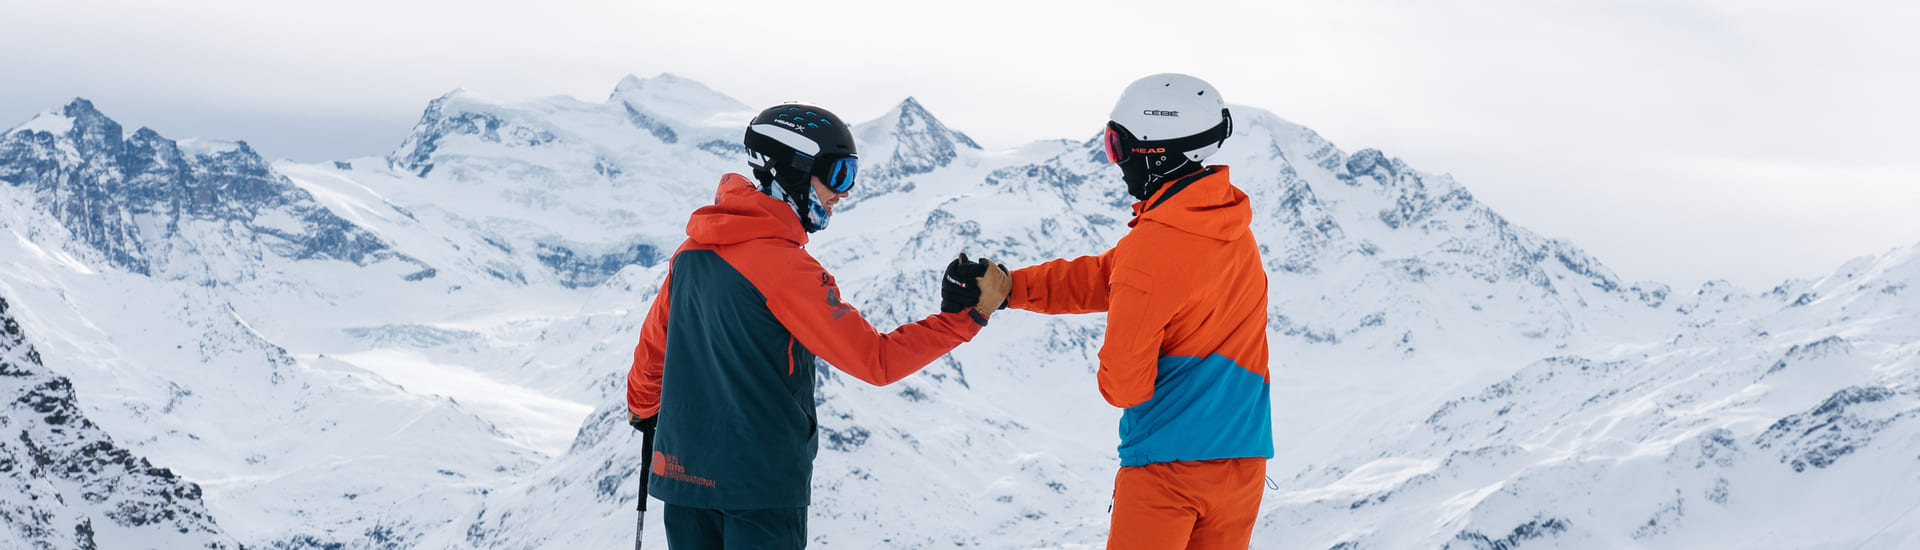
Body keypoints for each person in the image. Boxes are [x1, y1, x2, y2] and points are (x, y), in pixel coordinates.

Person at [623, 103, 1011, 549]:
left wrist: (644, 410)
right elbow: (876, 361)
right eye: (838, 175)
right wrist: (966, 318)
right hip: (759, 490)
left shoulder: (690, 252)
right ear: (793, 168)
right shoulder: (786, 269)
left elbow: (652, 354)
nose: (842, 193)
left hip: (683, 482)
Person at [999, 74, 1273, 549]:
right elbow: (1112, 275)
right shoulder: (1230, 228)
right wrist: (1009, 288)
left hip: (1167, 473)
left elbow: (1123, 383)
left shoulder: (1153, 246)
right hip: (1242, 466)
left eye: (1116, 145)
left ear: (1154, 150)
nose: (1115, 161)